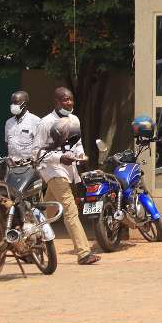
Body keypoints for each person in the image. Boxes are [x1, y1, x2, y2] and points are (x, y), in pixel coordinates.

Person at [36, 87, 99, 266]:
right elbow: (36, 152)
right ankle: (84, 252)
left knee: (48, 210)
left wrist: (80, 156)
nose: (69, 102)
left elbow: (77, 143)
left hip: (68, 170)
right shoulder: (45, 123)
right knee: (70, 210)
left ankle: (30, 241)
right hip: (53, 171)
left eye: (70, 99)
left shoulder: (74, 119)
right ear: (56, 102)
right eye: (65, 100)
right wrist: (59, 157)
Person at [4, 89, 44, 193]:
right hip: (12, 168)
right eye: (12, 103)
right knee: (10, 197)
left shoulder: (35, 121)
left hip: (29, 167)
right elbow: (7, 143)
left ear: (24, 104)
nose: (13, 105)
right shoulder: (9, 123)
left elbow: (40, 145)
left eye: (15, 103)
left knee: (31, 199)